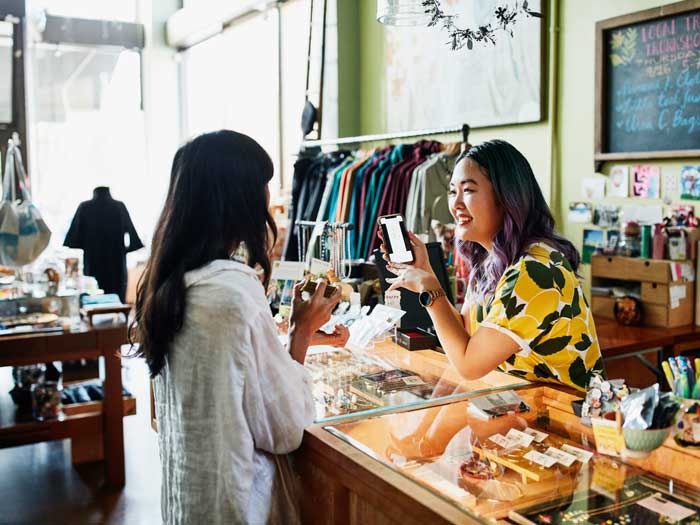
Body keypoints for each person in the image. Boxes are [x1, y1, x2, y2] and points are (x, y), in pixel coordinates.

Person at [132, 130, 347, 525]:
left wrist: (295, 338)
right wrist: (300, 332)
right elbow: (286, 427)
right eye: (263, 185)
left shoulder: (169, 283)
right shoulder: (233, 291)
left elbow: (228, 379)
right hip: (239, 506)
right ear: (239, 198)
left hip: (190, 500)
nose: (269, 198)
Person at [381, 139, 605, 392]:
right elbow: (466, 336)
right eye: (453, 191)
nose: (455, 205)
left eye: (469, 190)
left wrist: (430, 290)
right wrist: (426, 272)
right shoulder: (491, 260)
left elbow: (469, 365)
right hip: (524, 409)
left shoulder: (533, 272)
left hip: (569, 416)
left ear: (506, 197)